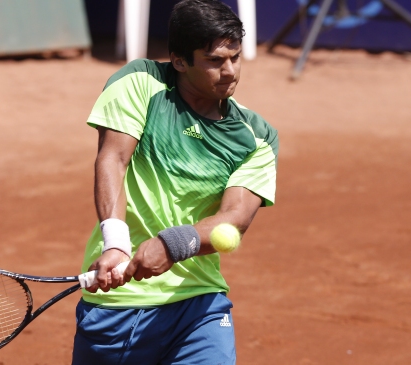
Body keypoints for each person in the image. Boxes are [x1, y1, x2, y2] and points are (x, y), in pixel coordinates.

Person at [72, 0, 278, 363]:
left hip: (199, 304)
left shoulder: (256, 136)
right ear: (180, 61)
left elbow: (236, 218)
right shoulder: (141, 81)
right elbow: (114, 159)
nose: (229, 72)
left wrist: (172, 245)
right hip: (120, 306)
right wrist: (116, 244)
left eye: (235, 57)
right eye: (214, 61)